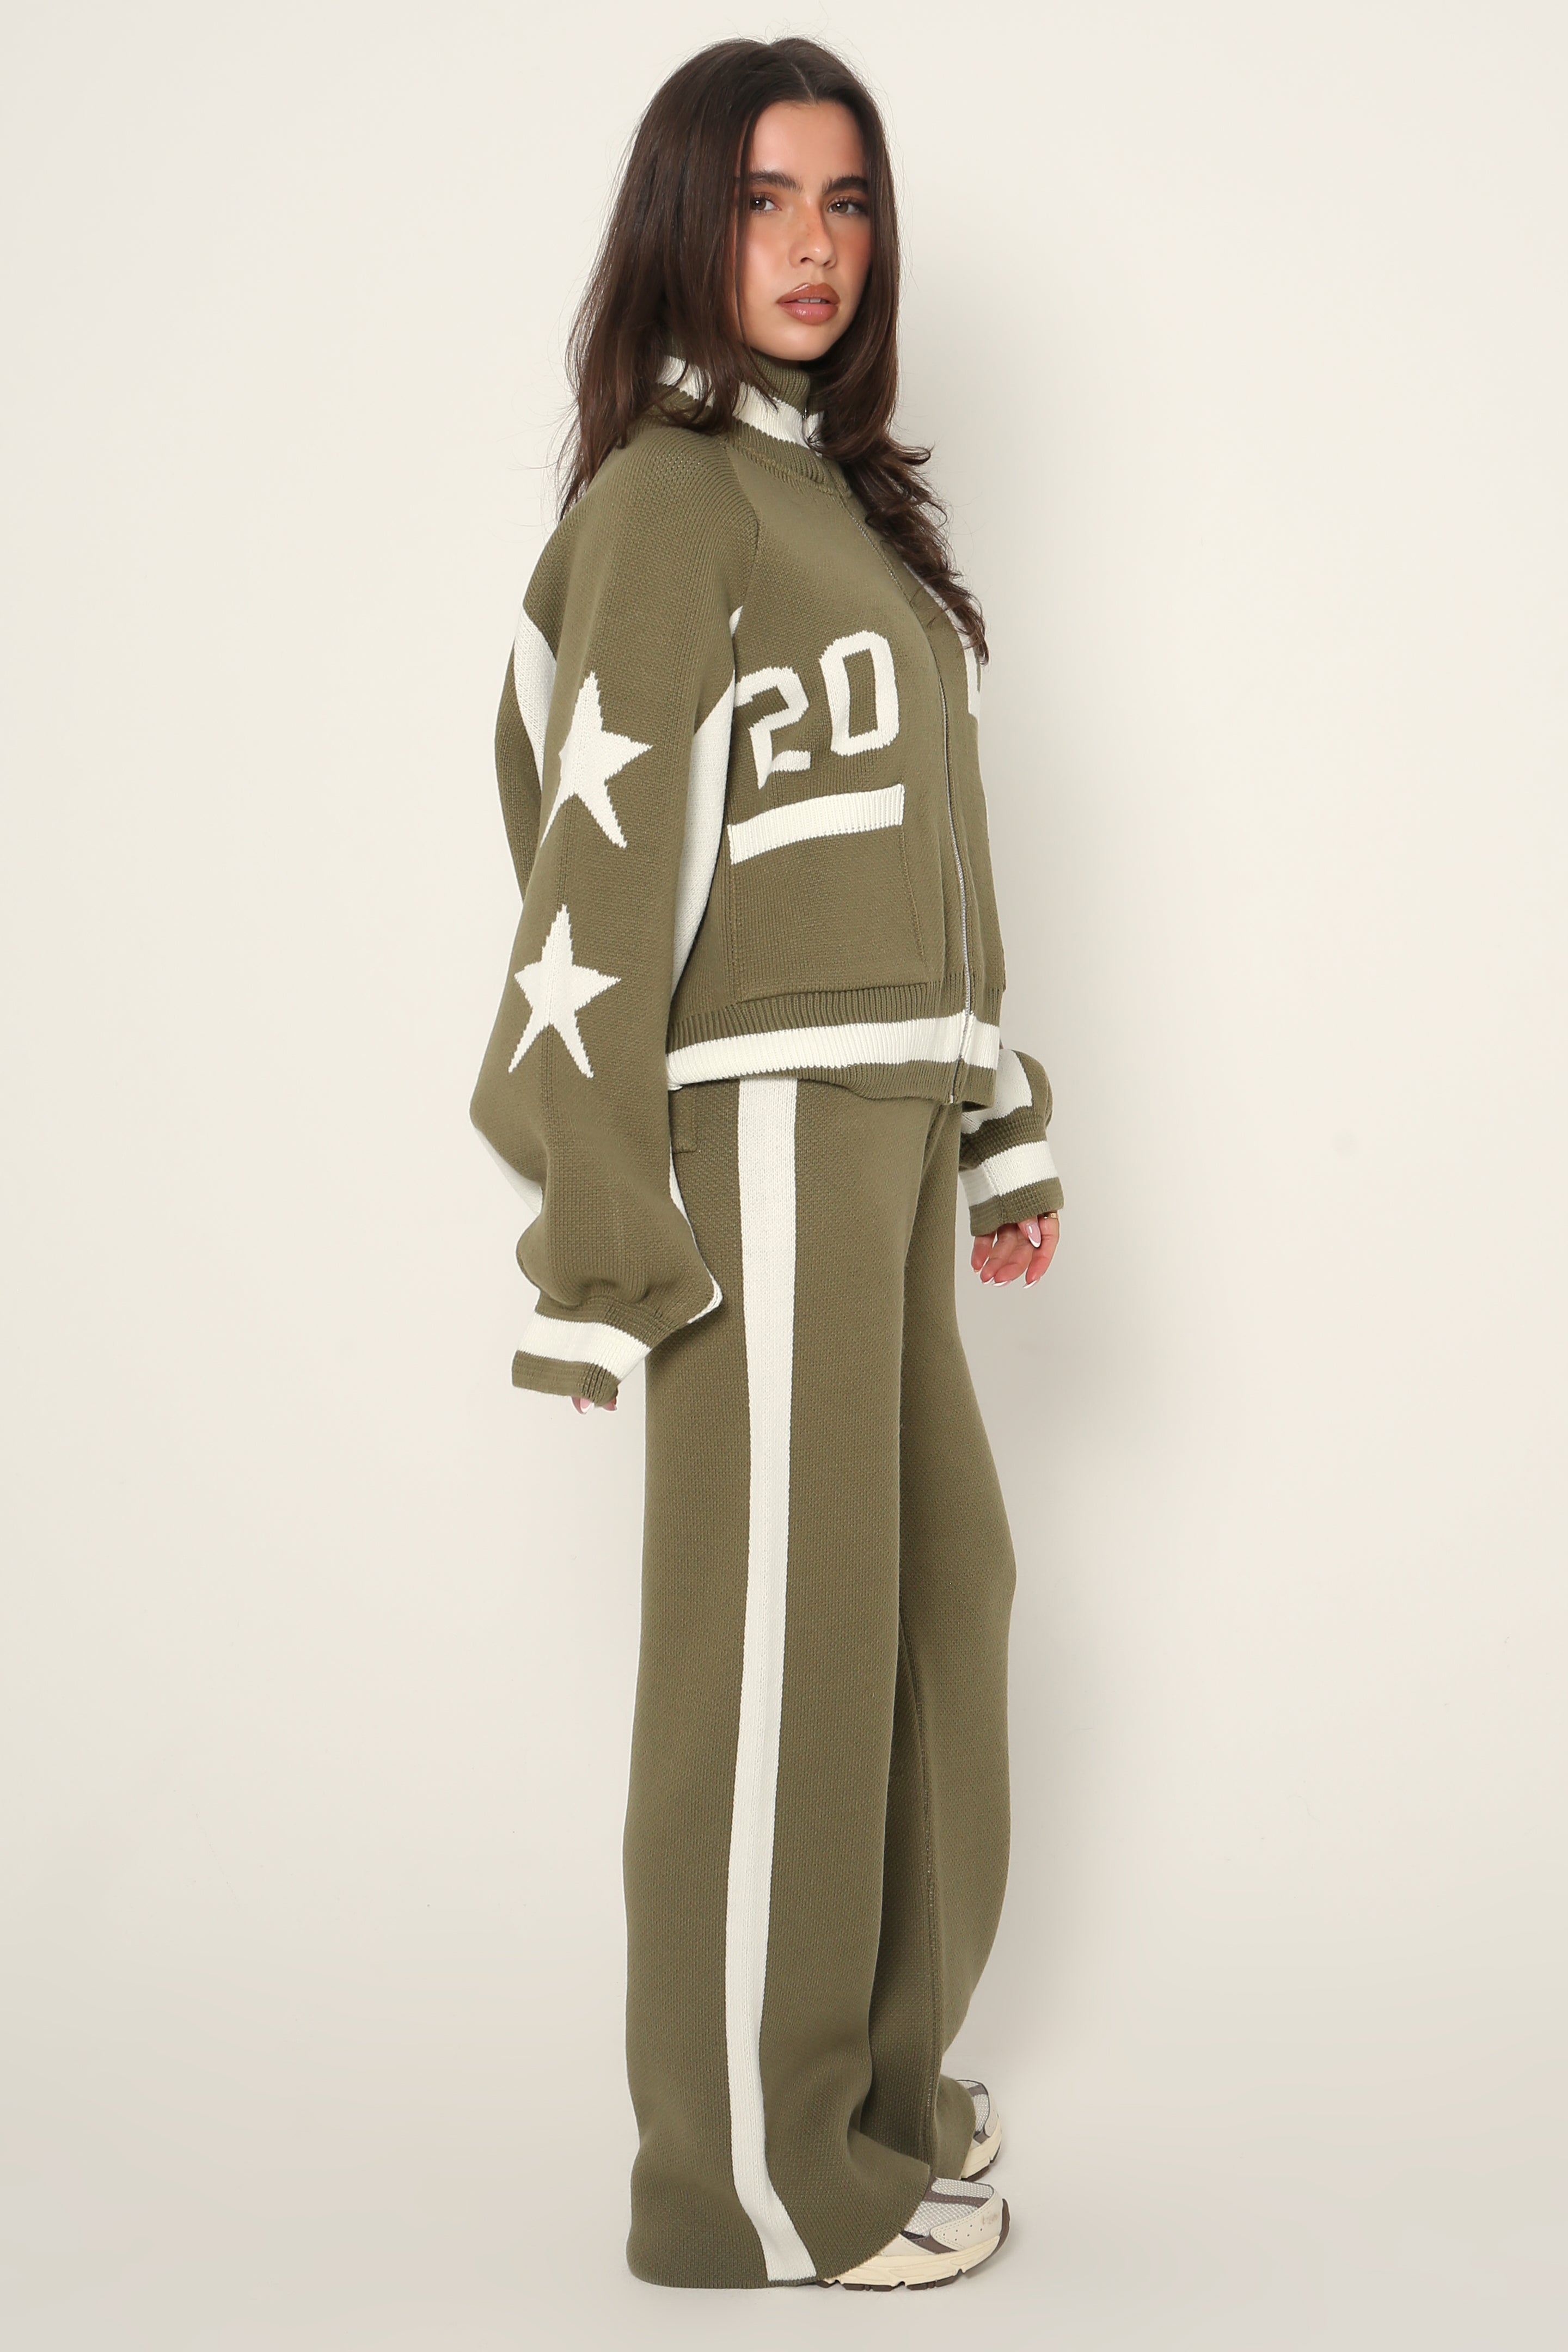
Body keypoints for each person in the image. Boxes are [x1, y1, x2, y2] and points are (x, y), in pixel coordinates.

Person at [470, 34, 1063, 2292]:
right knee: (779, 1652)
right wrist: (600, 1215)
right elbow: (588, 876)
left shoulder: (845, 509)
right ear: (682, 225)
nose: (815, 248)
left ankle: (875, 2095)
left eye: (848, 202)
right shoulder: (670, 502)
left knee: (938, 1608)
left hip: (891, 1126)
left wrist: (998, 1115)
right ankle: (744, 2181)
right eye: (763, 203)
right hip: (766, 1134)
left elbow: (927, 842)